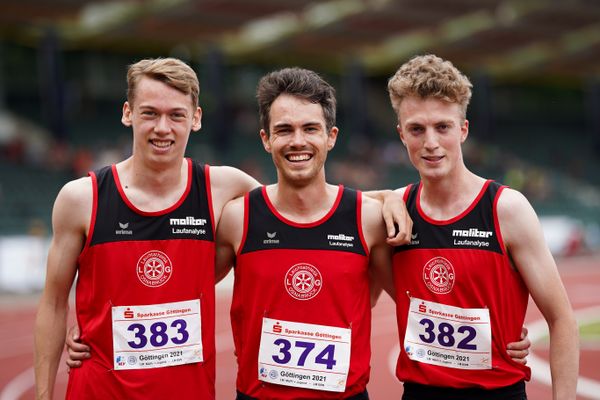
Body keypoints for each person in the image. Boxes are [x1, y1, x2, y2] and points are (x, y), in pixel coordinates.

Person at [34, 58, 411, 400]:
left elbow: (305, 199)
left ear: (195, 118)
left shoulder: (223, 188)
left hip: (188, 391)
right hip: (101, 389)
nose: (162, 127)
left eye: (176, 115)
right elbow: (52, 304)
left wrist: (387, 197)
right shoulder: (82, 198)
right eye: (150, 113)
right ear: (128, 113)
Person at [384, 54, 579, 399]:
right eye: (417, 129)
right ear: (401, 134)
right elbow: (308, 202)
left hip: (497, 393)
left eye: (442, 127)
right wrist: (385, 196)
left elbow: (562, 320)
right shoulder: (394, 209)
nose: (430, 142)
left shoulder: (507, 209)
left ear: (463, 130)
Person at [215, 67, 394, 399]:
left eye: (310, 128)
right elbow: (182, 288)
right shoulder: (237, 219)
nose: (297, 141)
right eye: (284, 130)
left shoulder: (368, 219)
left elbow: (415, 301)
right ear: (266, 139)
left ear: (331, 136)